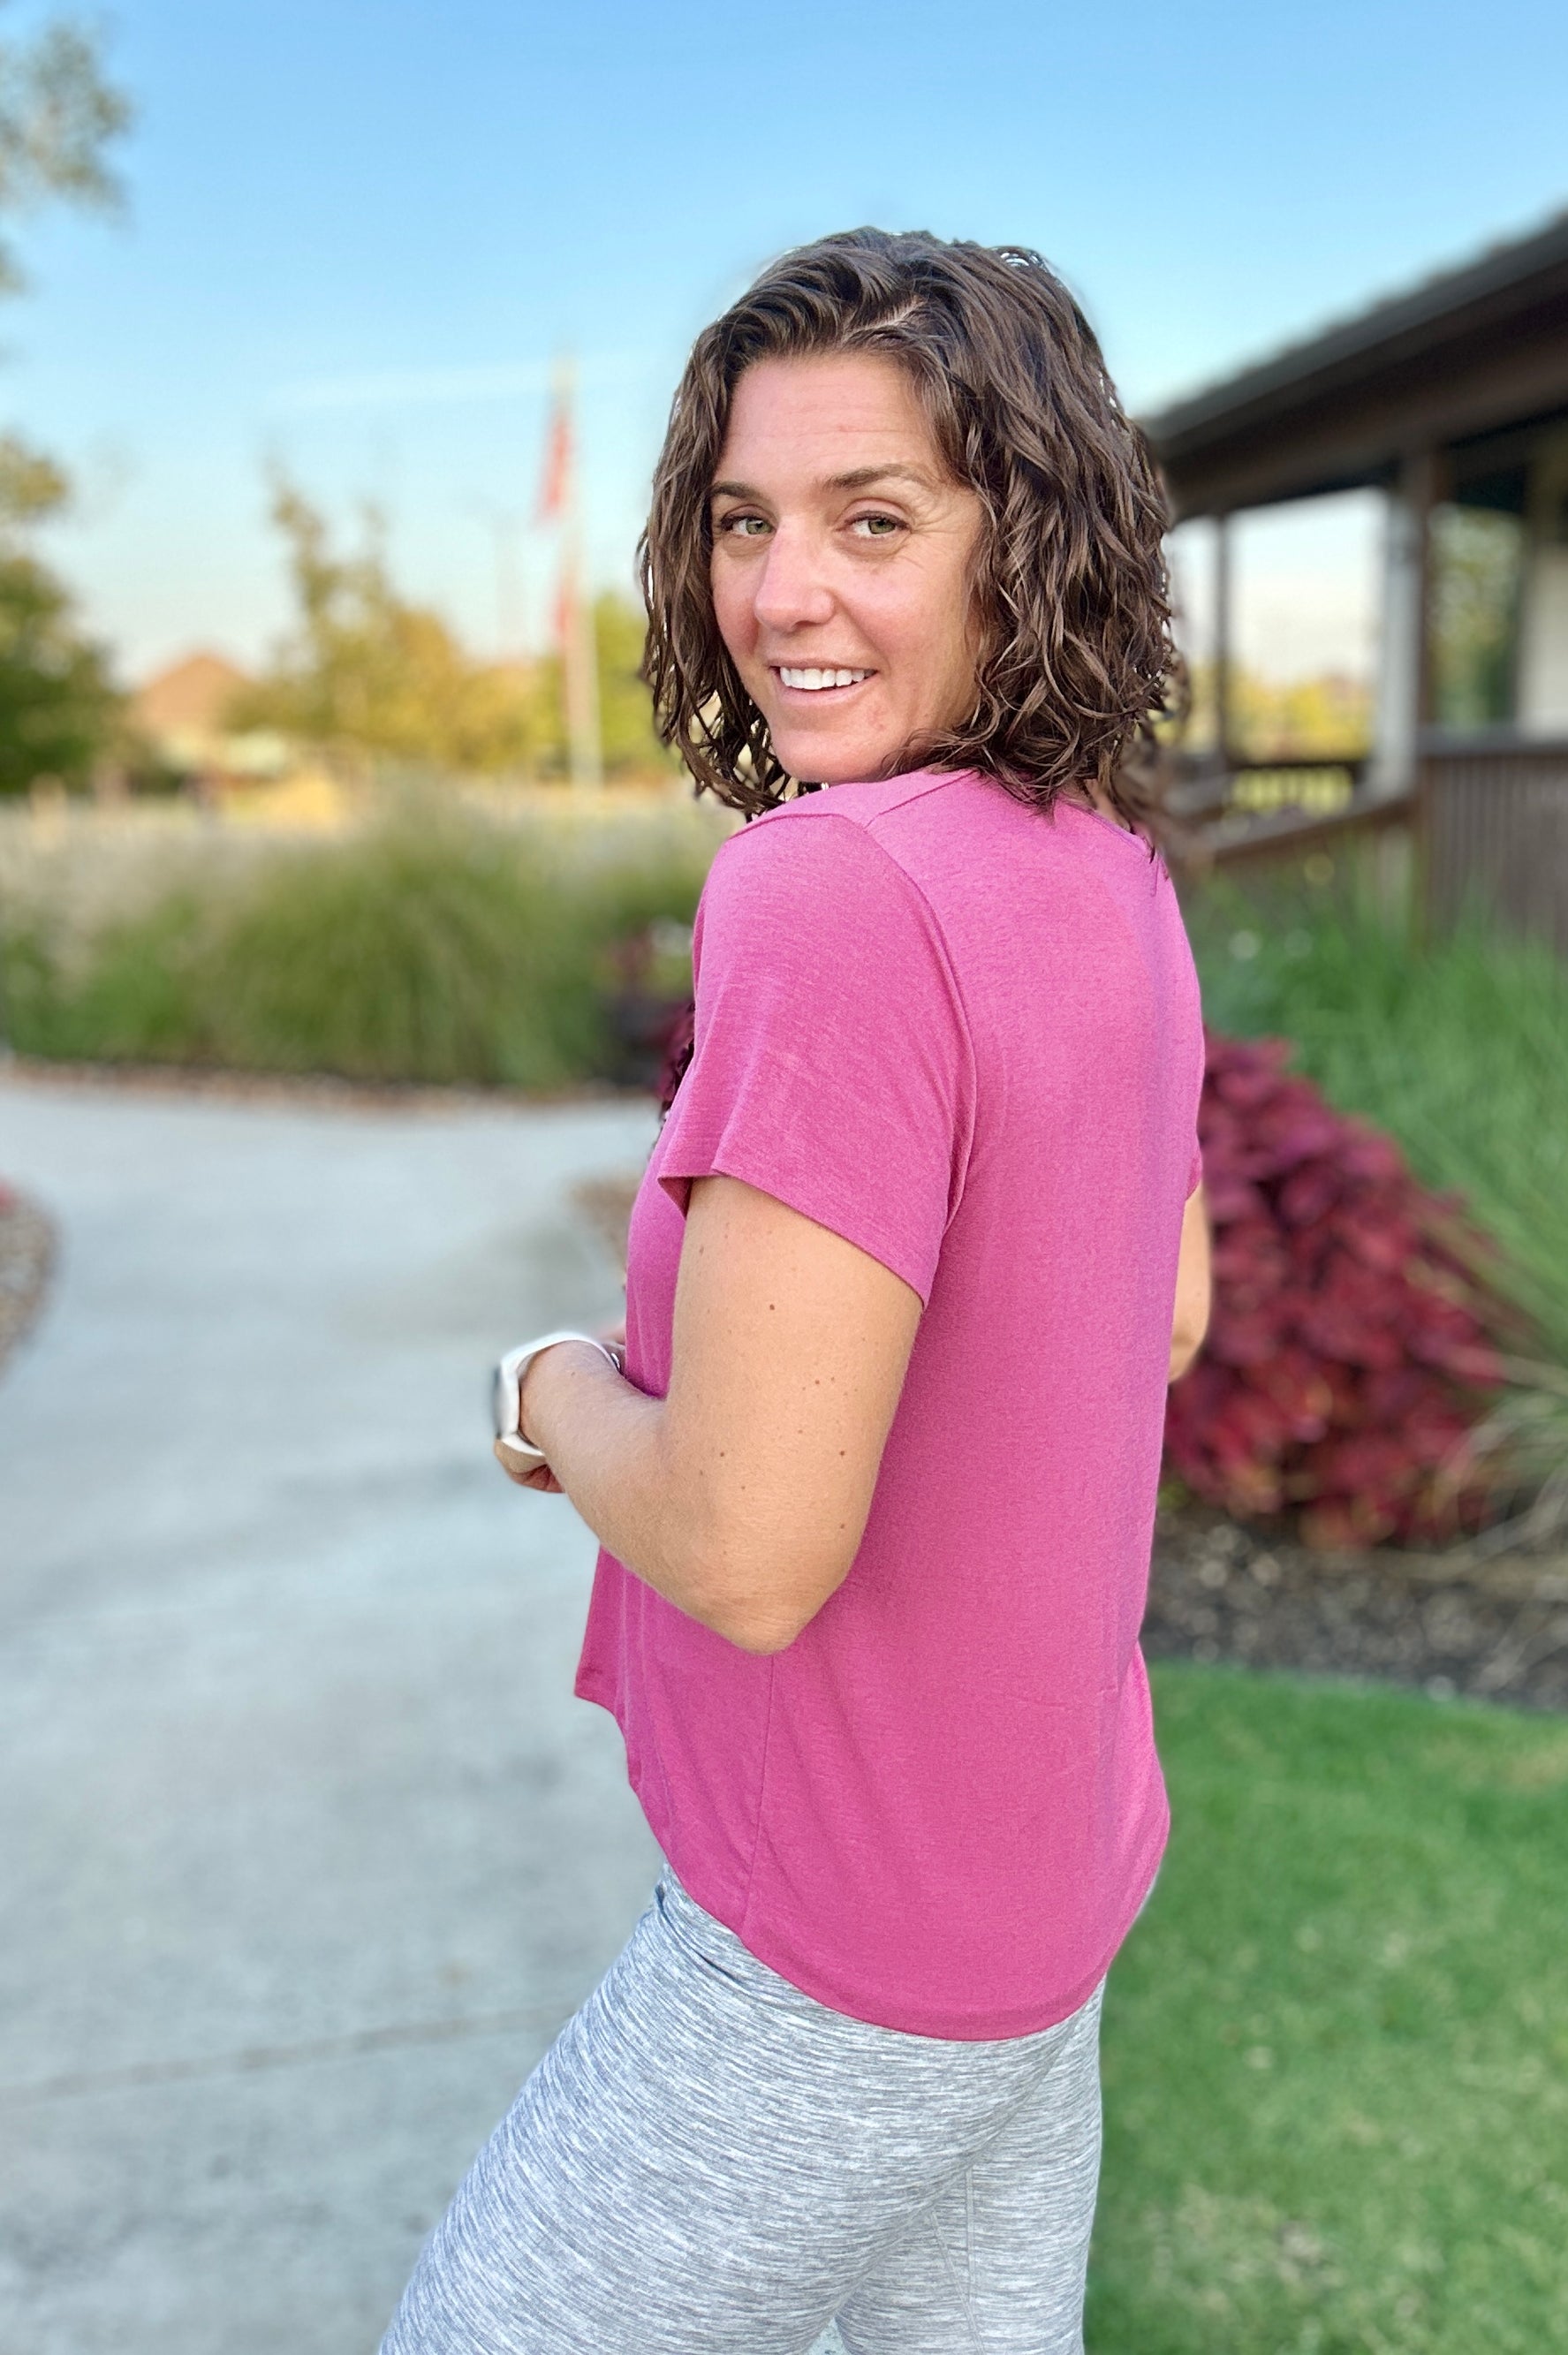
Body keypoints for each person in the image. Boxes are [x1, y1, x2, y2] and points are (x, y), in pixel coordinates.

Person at [383, 228, 1211, 2355]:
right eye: (745, 521)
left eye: (872, 521)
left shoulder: (830, 892)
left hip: (829, 1948)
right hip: (1038, 1883)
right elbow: (1166, 1309)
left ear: (1022, 539)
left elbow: (748, 1548)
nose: (780, 594)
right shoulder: (1107, 864)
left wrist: (543, 1387)